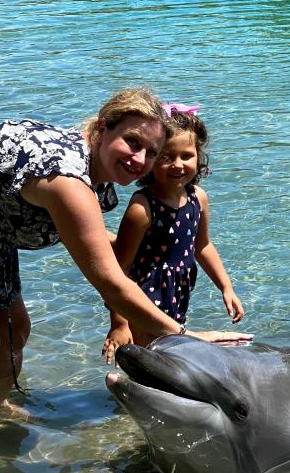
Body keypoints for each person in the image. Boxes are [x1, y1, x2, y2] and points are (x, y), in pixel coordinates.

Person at [0, 87, 251, 469]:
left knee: (14, 328)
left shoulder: (94, 174)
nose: (140, 159)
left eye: (151, 152)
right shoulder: (67, 180)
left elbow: (90, 239)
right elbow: (111, 282)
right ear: (100, 130)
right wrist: (183, 338)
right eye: (132, 142)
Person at [102, 103, 244, 363]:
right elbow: (119, 271)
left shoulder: (197, 198)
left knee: (171, 355)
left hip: (177, 291)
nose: (177, 165)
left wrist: (226, 287)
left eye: (186, 155)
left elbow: (203, 247)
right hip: (142, 295)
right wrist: (119, 324)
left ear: (199, 156)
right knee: (149, 359)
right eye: (166, 157)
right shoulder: (142, 208)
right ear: (151, 159)